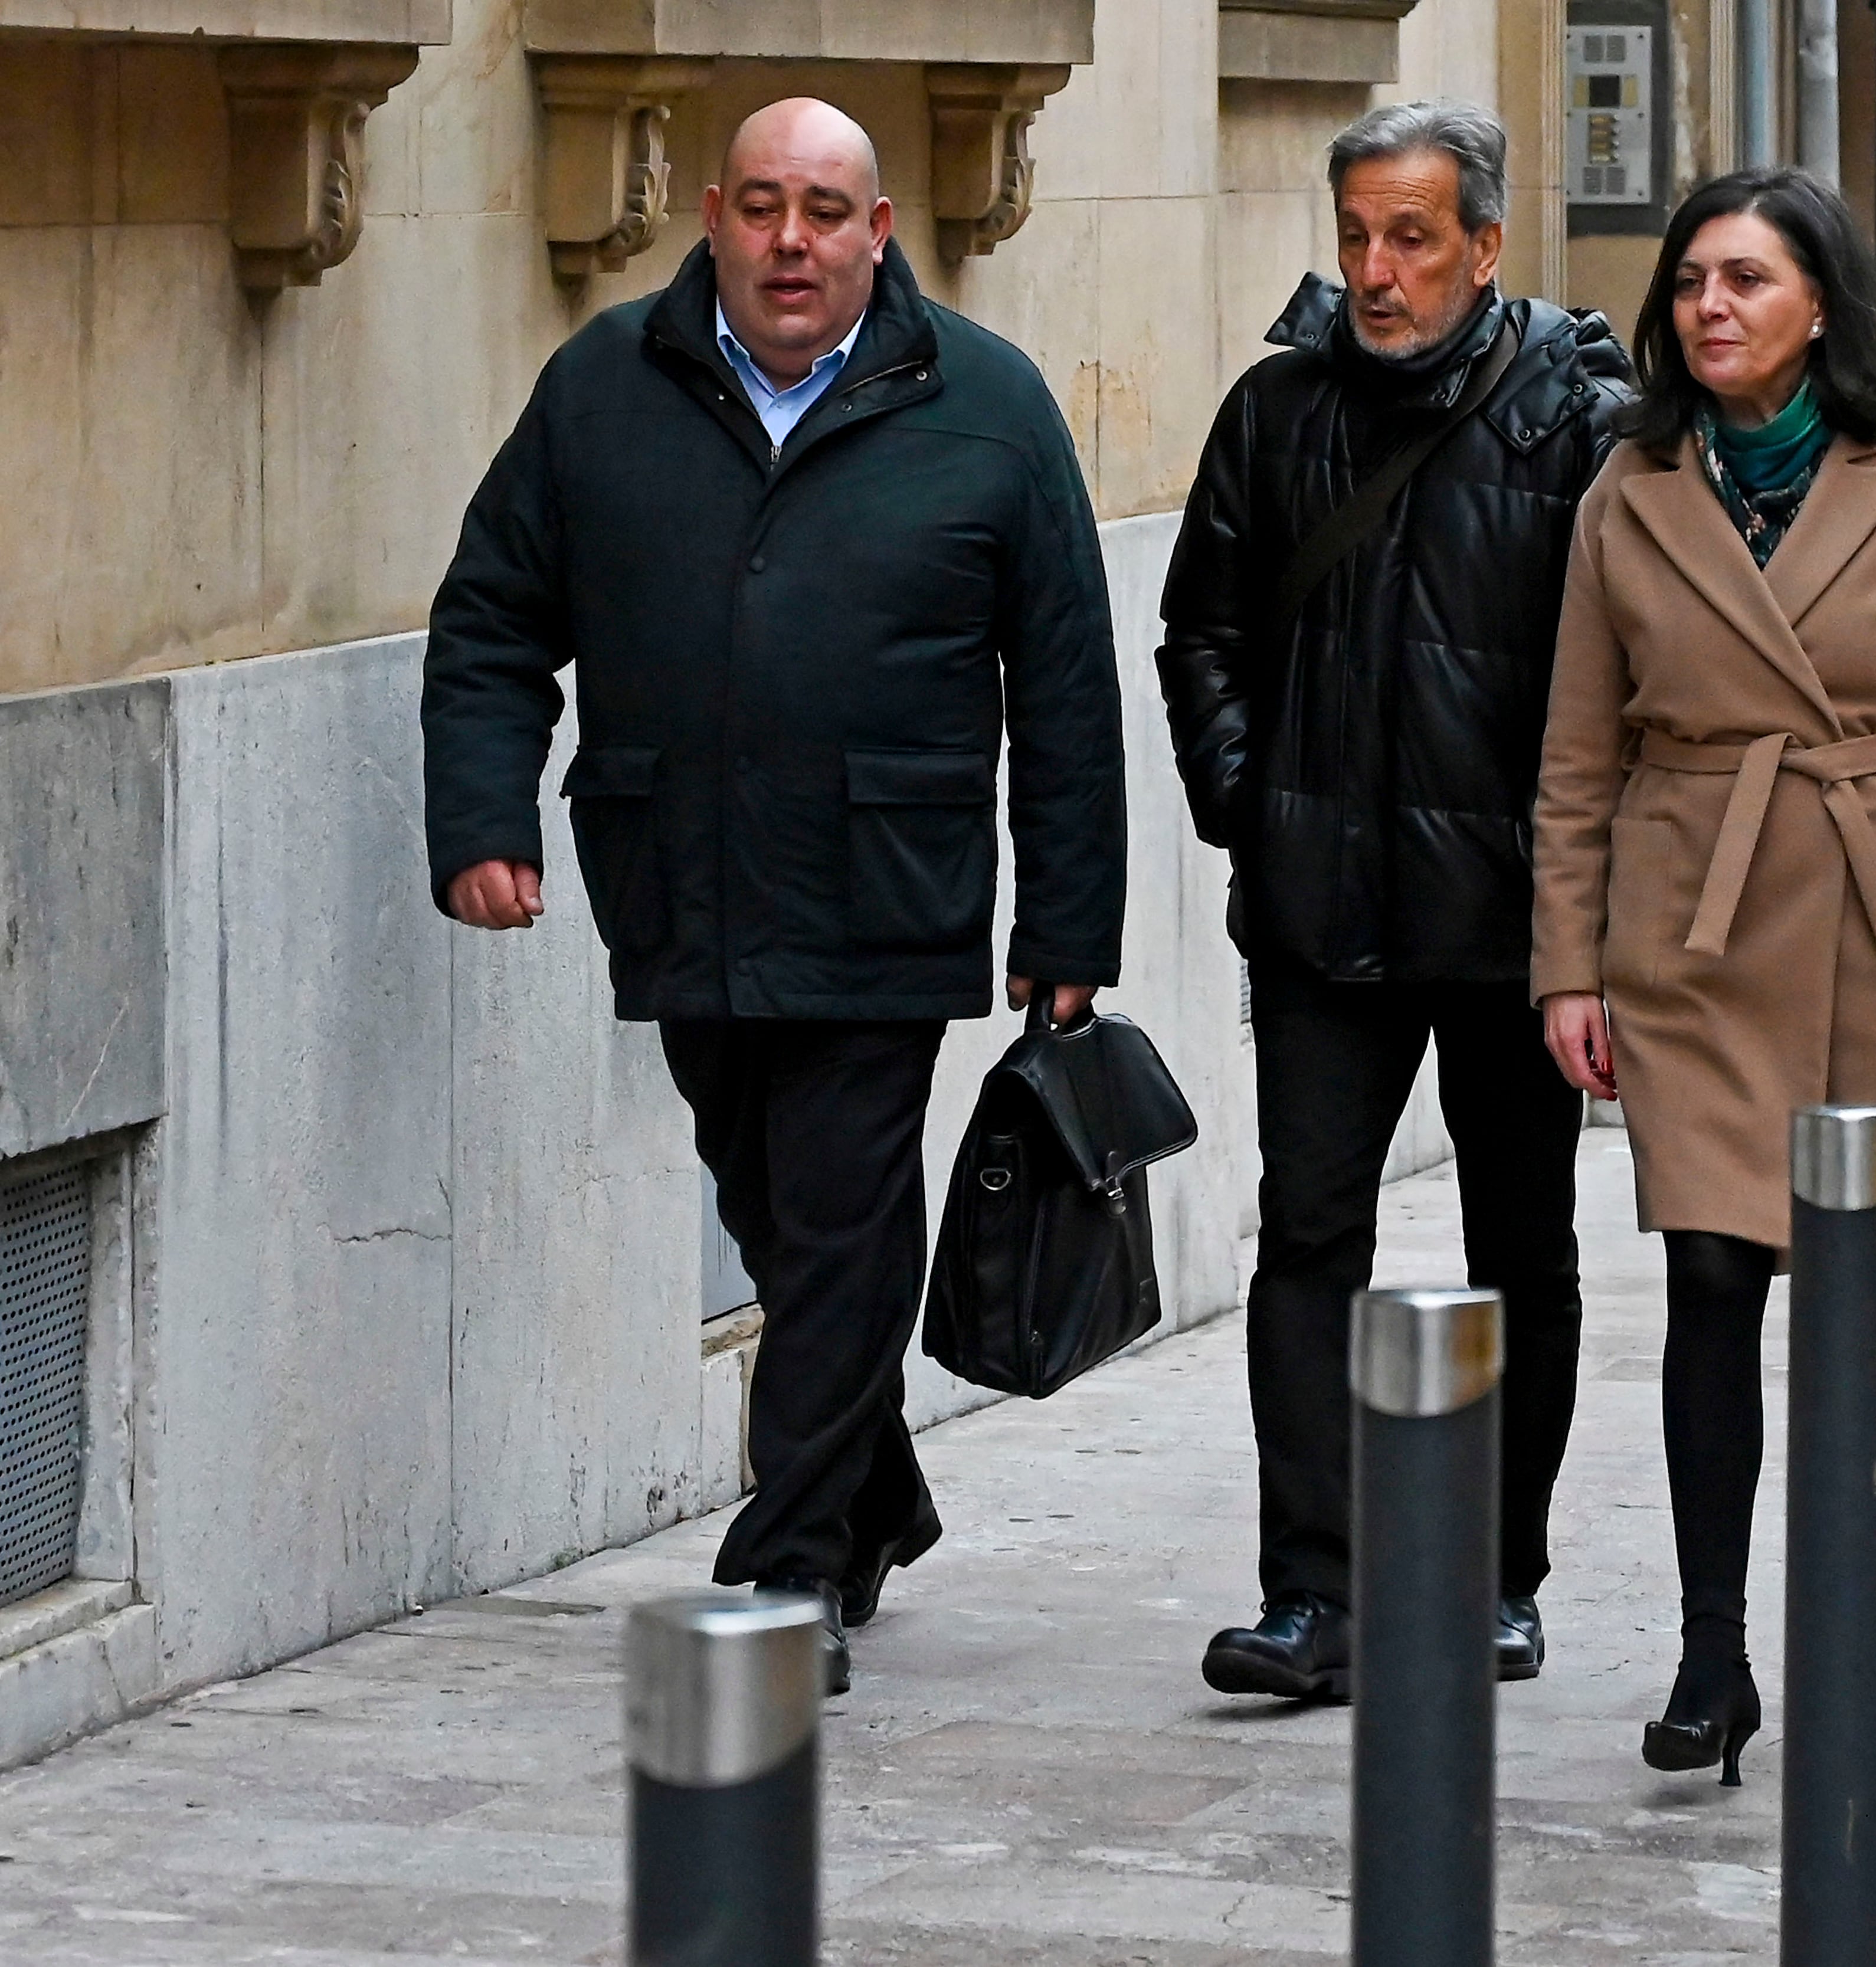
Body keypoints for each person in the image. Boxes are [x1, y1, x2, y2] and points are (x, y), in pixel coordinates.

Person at [421, 98, 1127, 1696]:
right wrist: (484, 812)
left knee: (837, 1214)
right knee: (773, 1200)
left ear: (881, 231)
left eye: (824, 210)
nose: (790, 241)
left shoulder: (992, 403)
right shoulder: (605, 382)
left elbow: (1068, 692)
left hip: (891, 892)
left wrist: (1068, 932)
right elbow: (491, 617)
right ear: (710, 217)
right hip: (680, 883)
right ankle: (873, 1483)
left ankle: (794, 1555)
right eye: (760, 207)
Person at [1530, 168, 1876, 1785]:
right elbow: (1575, 758)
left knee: (1869, 1283)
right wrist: (1569, 961)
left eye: (1747, 281)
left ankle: (1866, 1615)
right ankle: (1716, 1648)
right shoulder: (1628, 494)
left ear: (1822, 306)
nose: (1710, 306)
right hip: (1689, 923)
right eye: (1693, 281)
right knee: (1710, 1277)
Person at [1156, 100, 1631, 1701]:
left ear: (1484, 248)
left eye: (1412, 238)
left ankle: (1503, 1571)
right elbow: (1201, 626)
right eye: (1357, 234)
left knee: (1523, 1244)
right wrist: (1254, 796)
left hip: (1512, 921)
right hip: (1323, 917)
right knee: (1307, 1232)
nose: (1376, 269)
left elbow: (1644, 658)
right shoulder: (1276, 411)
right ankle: (1314, 1591)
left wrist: (1589, 885)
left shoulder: (1578, 417)